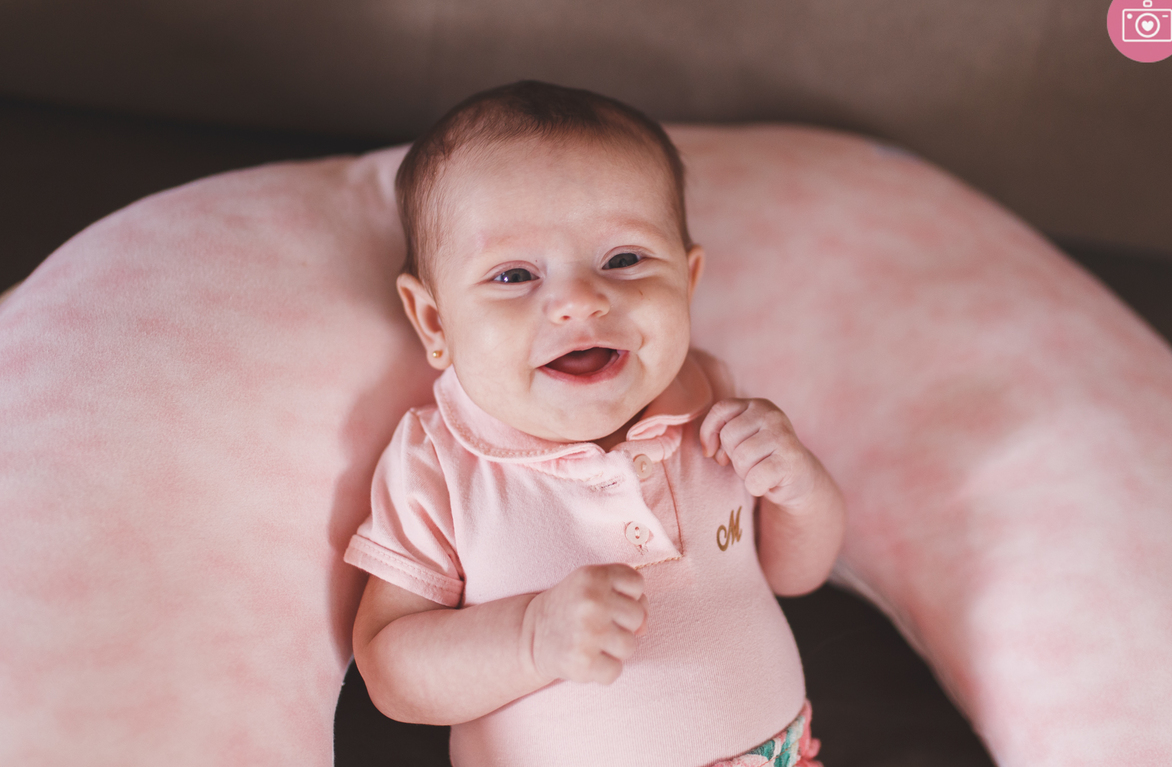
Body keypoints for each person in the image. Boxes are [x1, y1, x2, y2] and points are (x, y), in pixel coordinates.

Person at [344, 80, 845, 767]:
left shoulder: (714, 401)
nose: (580, 300)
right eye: (515, 275)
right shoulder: (443, 462)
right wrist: (530, 638)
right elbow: (389, 671)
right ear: (435, 322)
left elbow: (795, 575)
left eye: (625, 260)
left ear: (688, 282)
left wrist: (801, 488)